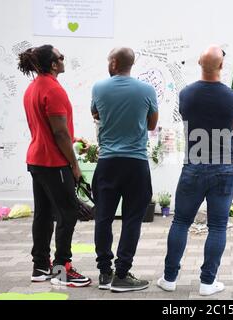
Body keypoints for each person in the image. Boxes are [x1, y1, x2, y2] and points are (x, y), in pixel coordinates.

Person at [157, 45, 233, 296]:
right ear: (221, 66)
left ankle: (169, 278)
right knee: (217, 226)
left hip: (193, 167)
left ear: (199, 62)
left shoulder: (186, 94)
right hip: (224, 168)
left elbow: (188, 118)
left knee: (181, 222)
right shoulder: (232, 97)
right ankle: (208, 283)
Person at [17, 45, 91, 287]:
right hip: (54, 163)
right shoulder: (53, 89)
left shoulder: (33, 88)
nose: (63, 59)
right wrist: (75, 165)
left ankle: (40, 267)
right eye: (60, 57)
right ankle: (62, 270)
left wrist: (72, 138)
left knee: (43, 214)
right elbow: (59, 133)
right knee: (68, 214)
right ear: (53, 64)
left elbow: (51, 129)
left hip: (37, 160)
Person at [91, 47, 158, 293]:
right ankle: (122, 274)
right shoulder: (147, 90)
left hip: (107, 162)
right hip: (136, 164)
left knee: (104, 217)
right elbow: (152, 124)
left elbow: (95, 113)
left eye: (109, 59)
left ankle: (104, 273)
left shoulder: (98, 88)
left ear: (115, 62)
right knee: (132, 219)